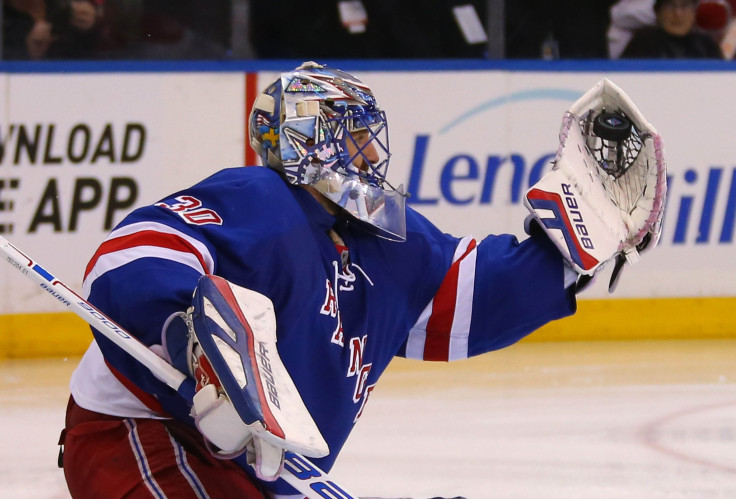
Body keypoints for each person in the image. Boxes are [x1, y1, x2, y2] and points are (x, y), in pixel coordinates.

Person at [57, 62, 664, 498]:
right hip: (144, 430)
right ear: (304, 139)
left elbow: (470, 297)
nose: (372, 155)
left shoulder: (389, 235)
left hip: (262, 469)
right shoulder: (262, 199)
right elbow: (132, 254)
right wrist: (185, 334)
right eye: (353, 134)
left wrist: (568, 253)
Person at [621, 0, 724, 58]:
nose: (678, 14)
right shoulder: (642, 43)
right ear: (658, 12)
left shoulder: (706, 46)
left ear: (694, 11)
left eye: (685, 6)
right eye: (670, 5)